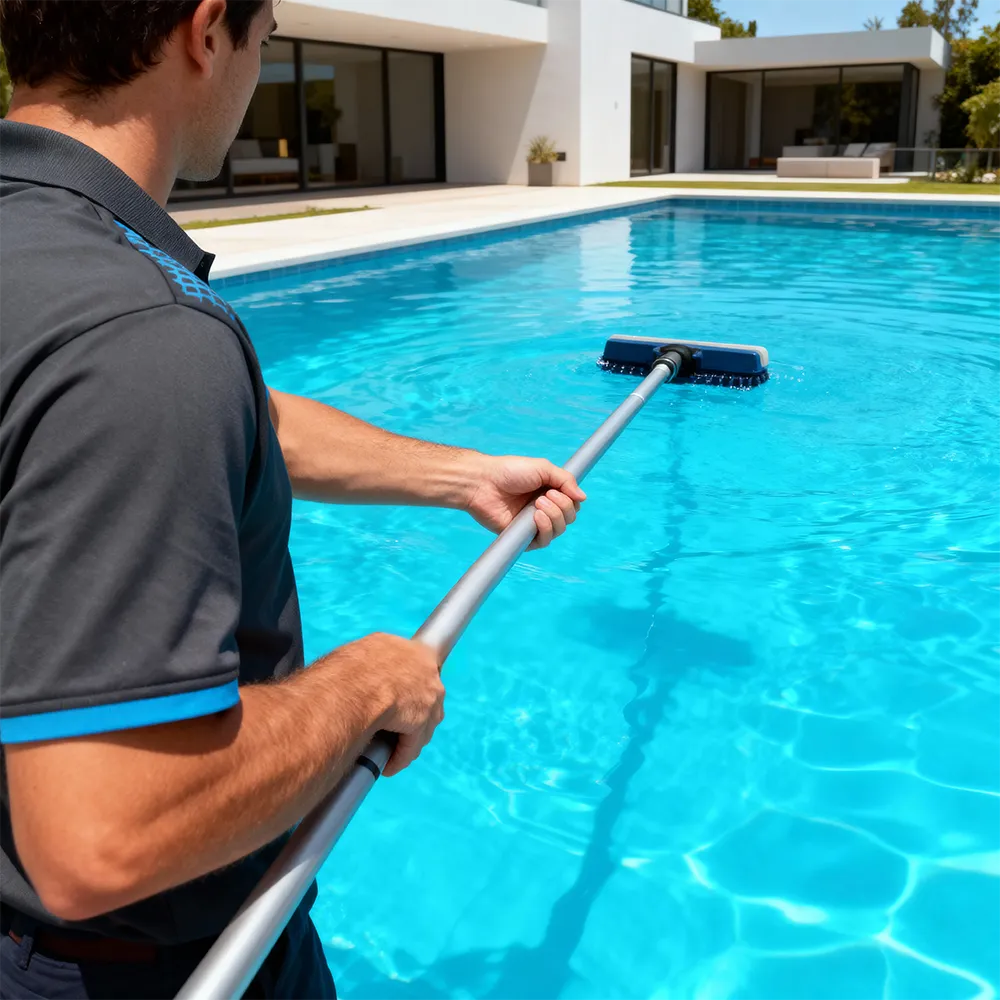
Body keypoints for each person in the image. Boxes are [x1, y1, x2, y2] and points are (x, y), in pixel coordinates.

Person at [0, 1, 587, 996]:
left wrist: (454, 475)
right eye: (265, 46)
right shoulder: (138, 334)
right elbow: (104, 835)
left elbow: (233, 417)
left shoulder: (51, 272)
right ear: (208, 29)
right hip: (136, 966)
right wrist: (364, 686)